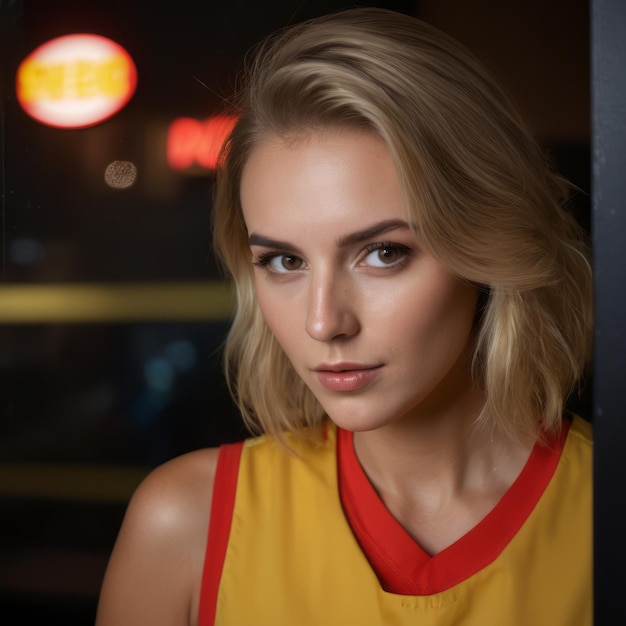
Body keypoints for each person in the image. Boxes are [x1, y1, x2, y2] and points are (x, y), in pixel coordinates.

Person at [95, 6, 593, 625]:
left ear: (485, 246)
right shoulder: (186, 525)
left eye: (384, 253)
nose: (323, 323)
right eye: (283, 261)